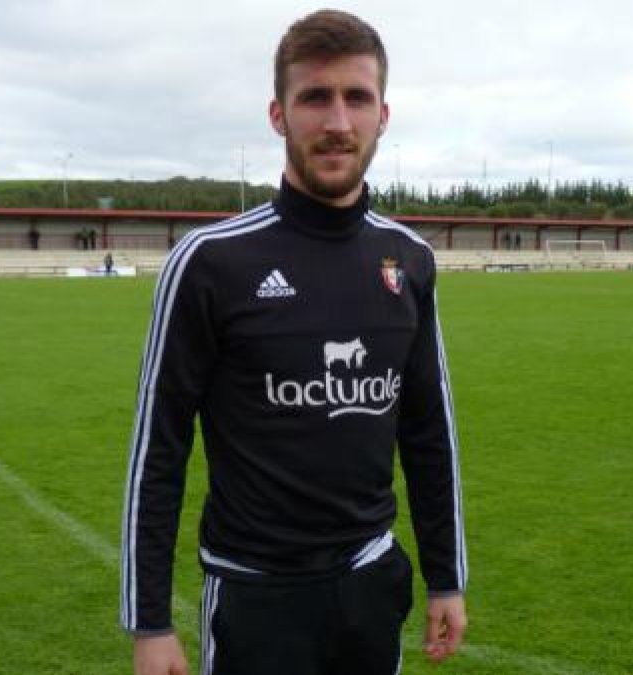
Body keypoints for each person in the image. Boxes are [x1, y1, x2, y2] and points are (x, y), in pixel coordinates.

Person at [121, 10, 467, 675]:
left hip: (371, 584)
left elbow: (429, 429)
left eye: (356, 97)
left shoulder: (409, 260)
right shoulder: (209, 262)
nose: (338, 121)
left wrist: (446, 576)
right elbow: (158, 447)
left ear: (383, 115)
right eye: (315, 97)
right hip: (255, 596)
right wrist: (150, 622)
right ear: (279, 115)